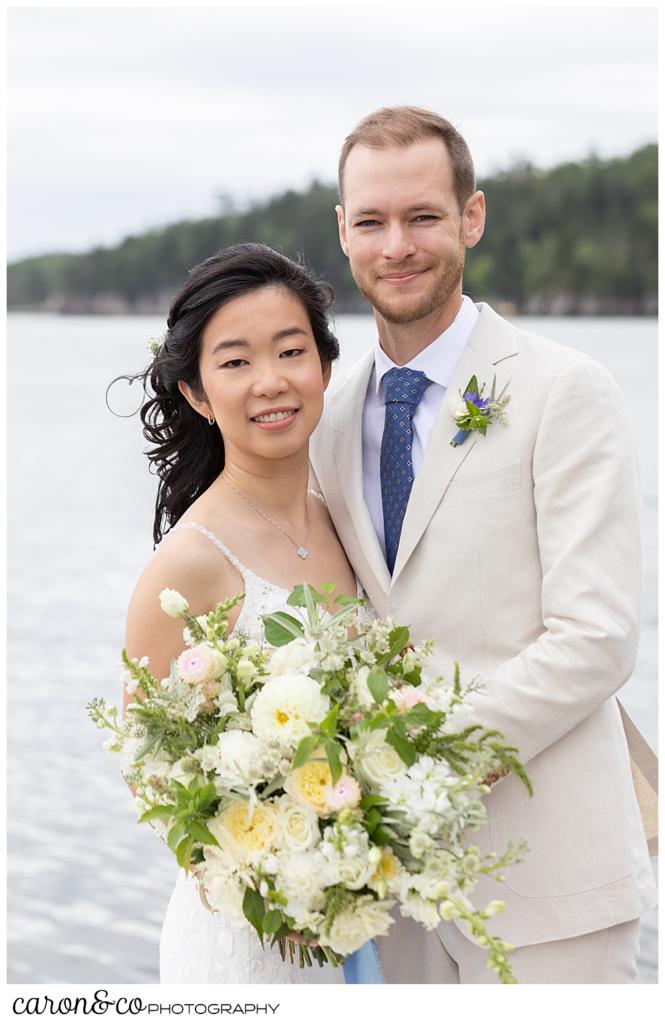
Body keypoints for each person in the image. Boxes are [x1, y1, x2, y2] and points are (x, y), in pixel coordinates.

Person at [309, 105, 657, 983]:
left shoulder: (563, 390)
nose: (397, 246)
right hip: (391, 895)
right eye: (372, 222)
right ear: (342, 232)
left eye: (422, 216)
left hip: (550, 881)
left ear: (471, 216)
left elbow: (596, 637)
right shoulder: (326, 415)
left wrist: (418, 760)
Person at [124, 243, 350, 984]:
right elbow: (152, 779)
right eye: (235, 362)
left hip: (359, 917)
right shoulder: (191, 562)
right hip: (249, 939)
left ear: (323, 364)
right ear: (194, 392)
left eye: (290, 351)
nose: (271, 382)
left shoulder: (348, 521)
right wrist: (281, 881)